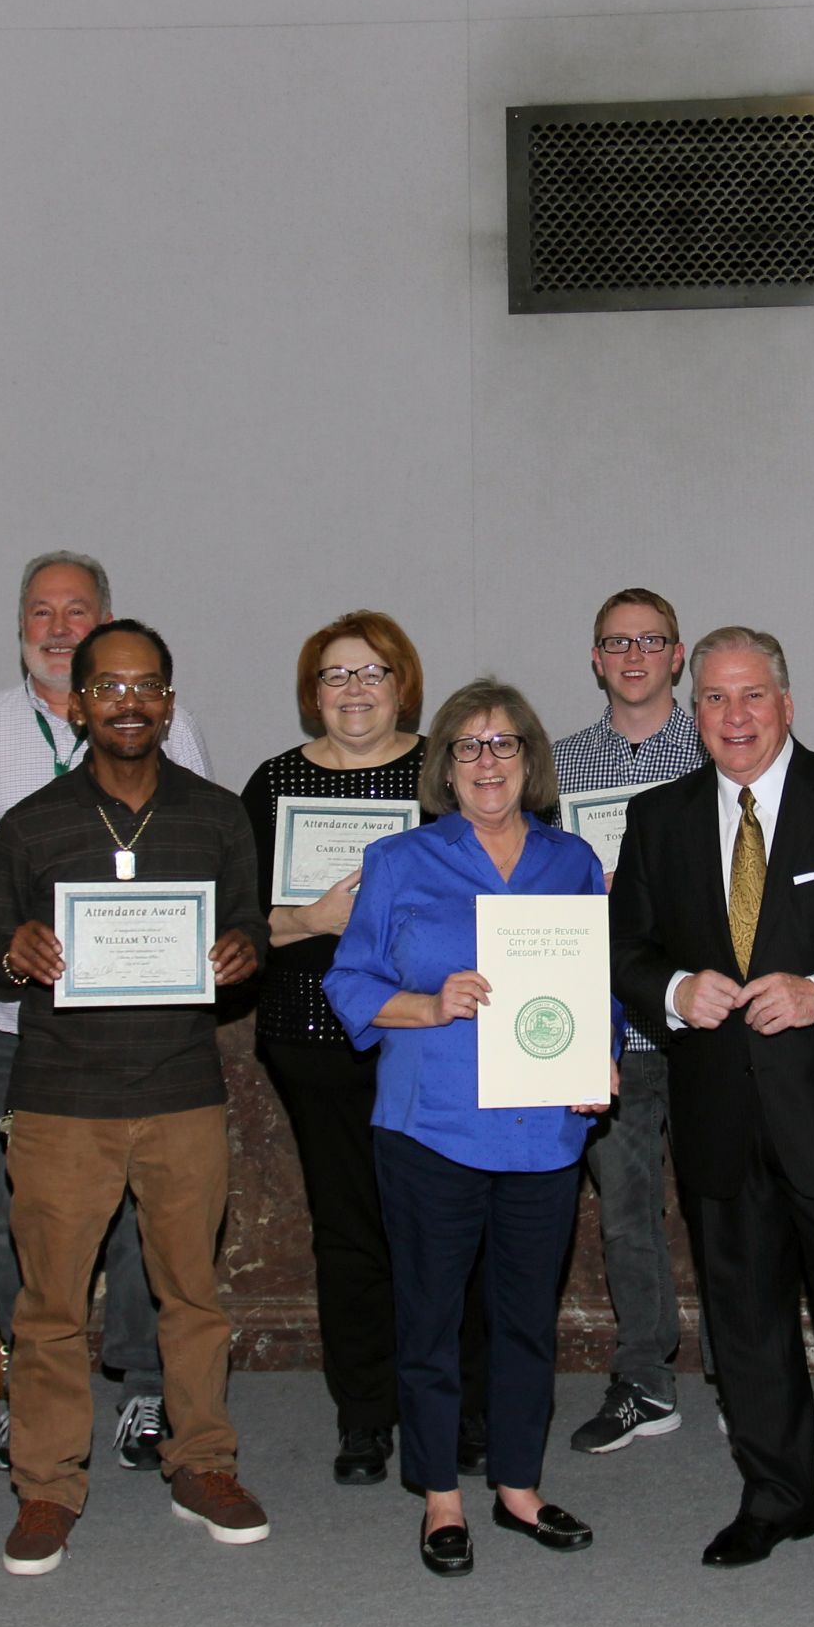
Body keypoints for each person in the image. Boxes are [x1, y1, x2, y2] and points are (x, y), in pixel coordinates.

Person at [612, 627, 814, 1622]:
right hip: (716, 1122)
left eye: (752, 694)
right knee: (746, 1330)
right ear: (692, 708)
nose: (735, 715)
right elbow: (624, 951)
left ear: (787, 702)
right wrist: (673, 988)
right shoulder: (658, 816)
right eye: (713, 698)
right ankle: (776, 1497)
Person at [0, 620, 270, 1576]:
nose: (129, 702)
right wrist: (15, 949)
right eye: (108, 687)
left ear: (170, 704)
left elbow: (249, 931)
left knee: (192, 1296)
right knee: (51, 1306)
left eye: (148, 687)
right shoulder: (32, 823)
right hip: (62, 1099)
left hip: (182, 1092)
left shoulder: (218, 816)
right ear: (77, 703)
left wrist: (242, 955)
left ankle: (203, 1462)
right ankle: (48, 1485)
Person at [326, 680, 615, 1576]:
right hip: (431, 1126)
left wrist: (600, 1055)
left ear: (531, 761)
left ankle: (519, 1487)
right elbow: (349, 984)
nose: (487, 762)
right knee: (432, 1315)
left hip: (541, 1128)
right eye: (468, 747)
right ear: (444, 768)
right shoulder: (399, 860)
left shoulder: (573, 861)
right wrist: (427, 1002)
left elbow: (592, 983)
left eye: (504, 745)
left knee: (528, 1318)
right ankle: (441, 1498)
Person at [0, 551, 215, 1474]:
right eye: (42, 611)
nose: (58, 626)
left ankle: (142, 1388)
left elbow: (208, 872)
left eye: (78, 611)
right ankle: (33, 1396)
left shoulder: (179, 737)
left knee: (150, 1221)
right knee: (20, 1217)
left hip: (145, 1035)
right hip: (4, 1024)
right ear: (22, 625)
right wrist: (7, 944)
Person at [239, 611, 487, 1485]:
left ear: (403, 684)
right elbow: (236, 928)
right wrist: (313, 920)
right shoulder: (273, 783)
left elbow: (485, 883)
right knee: (350, 1232)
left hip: (432, 1036)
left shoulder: (444, 772)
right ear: (313, 693)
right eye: (335, 675)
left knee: (448, 1228)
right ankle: (364, 1415)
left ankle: (458, 1408)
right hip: (313, 1036)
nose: (353, 690)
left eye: (371, 672)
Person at [551, 587, 705, 1456]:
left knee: (733, 1207)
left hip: (710, 1019)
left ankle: (744, 1374)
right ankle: (645, 1379)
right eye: (618, 642)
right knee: (625, 1215)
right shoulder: (562, 767)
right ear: (598, 659)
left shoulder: (725, 745)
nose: (635, 656)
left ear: (677, 655)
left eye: (652, 641)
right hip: (608, 1028)